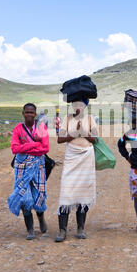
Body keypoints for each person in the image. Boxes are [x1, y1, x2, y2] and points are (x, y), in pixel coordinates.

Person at [55, 98, 98, 242]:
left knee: (83, 192)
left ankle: (80, 228)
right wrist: (73, 134)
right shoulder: (66, 119)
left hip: (86, 156)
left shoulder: (90, 119)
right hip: (71, 156)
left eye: (80, 104)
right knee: (66, 192)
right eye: (75, 104)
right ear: (72, 106)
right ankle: (62, 230)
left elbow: (95, 139)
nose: (77, 107)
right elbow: (59, 139)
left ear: (85, 106)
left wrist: (84, 132)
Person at [8, 103, 50, 240]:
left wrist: (24, 147)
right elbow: (14, 148)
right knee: (23, 196)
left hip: (38, 166)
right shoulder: (18, 129)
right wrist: (34, 145)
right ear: (23, 113)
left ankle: (41, 218)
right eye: (27, 112)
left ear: (35, 114)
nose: (29, 115)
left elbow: (45, 148)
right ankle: (30, 229)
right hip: (22, 167)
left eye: (32, 112)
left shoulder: (41, 128)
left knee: (39, 194)